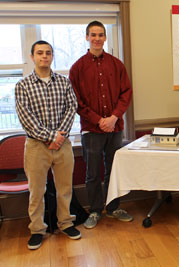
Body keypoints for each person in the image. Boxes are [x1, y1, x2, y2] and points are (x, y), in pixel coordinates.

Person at [15, 40, 81, 250]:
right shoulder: (22, 86)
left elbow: (72, 108)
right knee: (37, 191)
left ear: (52, 56)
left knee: (64, 189)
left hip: (63, 145)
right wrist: (52, 137)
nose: (45, 56)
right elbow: (27, 118)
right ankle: (37, 229)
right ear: (32, 57)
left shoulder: (64, 82)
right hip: (36, 147)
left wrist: (59, 138)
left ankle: (66, 223)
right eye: (40, 53)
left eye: (48, 53)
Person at [69, 21, 133, 229]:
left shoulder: (117, 64)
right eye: (93, 35)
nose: (97, 38)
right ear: (87, 37)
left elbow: (126, 93)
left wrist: (114, 117)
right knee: (93, 173)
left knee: (114, 170)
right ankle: (96, 210)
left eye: (100, 35)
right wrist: (98, 120)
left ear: (105, 38)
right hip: (91, 130)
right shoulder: (77, 68)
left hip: (115, 128)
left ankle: (113, 208)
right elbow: (76, 101)